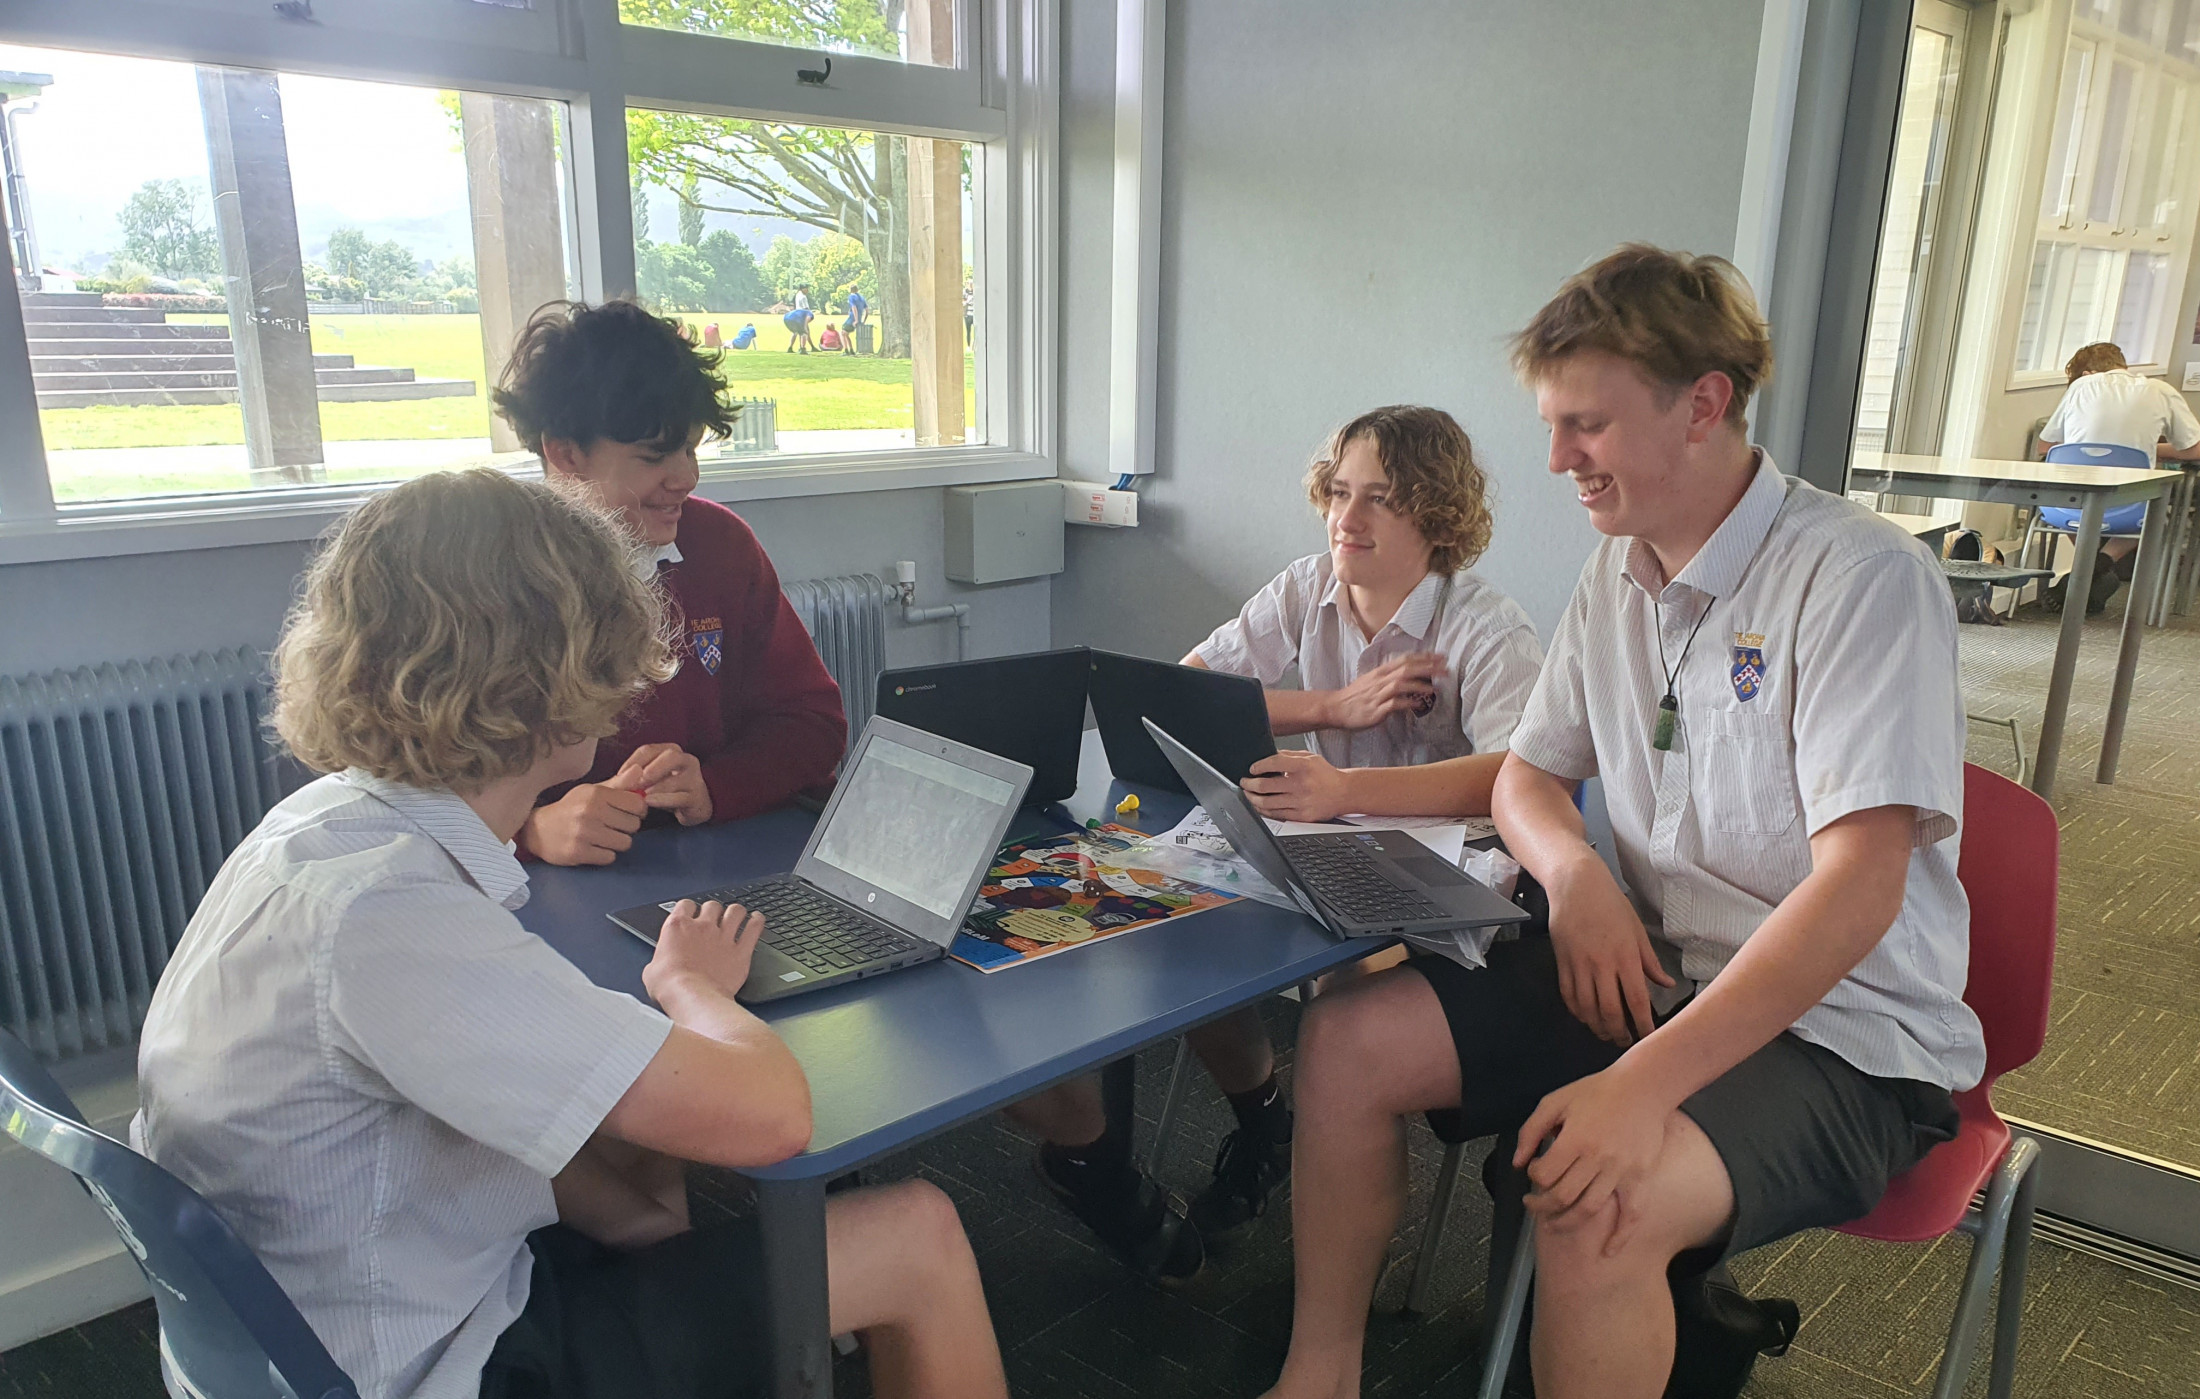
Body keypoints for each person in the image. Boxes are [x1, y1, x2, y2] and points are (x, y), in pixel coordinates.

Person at [1261, 245, 1981, 1399]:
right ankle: (1319, 1375)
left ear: (1701, 406)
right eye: (1552, 425)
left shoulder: (1859, 579)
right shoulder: (1618, 574)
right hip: (1648, 973)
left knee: (1595, 1203)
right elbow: (1526, 778)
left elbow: (1859, 890)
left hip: (1841, 1037)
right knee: (1346, 1042)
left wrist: (1639, 1083)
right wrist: (1575, 876)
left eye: (1584, 425)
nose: (1557, 460)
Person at [133, 469, 1010, 1399]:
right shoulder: (390, 921)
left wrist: (643, 1223)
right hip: (426, 1365)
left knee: (640, 1137)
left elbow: (472, 1111)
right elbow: (774, 1117)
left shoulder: (324, 831)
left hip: (321, 1314)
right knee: (918, 1233)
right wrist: (689, 985)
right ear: (553, 679)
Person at [1011, 406, 1543, 1285]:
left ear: (1436, 515)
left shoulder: (1488, 628)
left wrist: (1345, 790)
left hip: (1447, 880)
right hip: (1325, 844)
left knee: (1341, 1007)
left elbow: (1514, 777)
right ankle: (1268, 1123)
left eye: (1379, 499)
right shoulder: (1308, 588)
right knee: (1185, 934)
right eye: (1339, 492)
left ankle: (1339, 1229)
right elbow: (1187, 685)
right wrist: (1330, 709)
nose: (1346, 518)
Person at [494, 301, 846, 866]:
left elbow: (814, 724)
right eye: (654, 457)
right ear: (564, 453)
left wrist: (714, 786)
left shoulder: (720, 544)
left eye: (690, 448)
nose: (686, 477)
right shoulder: (488, 575)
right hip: (551, 885)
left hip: (715, 859)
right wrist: (527, 831)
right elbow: (415, 786)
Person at [2035, 340, 2200, 615]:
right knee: (2154, 513)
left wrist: (2082, 448)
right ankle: (2100, 565)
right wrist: (2149, 452)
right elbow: (2194, 449)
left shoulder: (2081, 386)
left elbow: (2044, 446)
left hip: (2067, 506)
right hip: (2131, 507)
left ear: (2086, 374)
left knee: (2067, 496)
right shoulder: (2160, 390)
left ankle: (2087, 569)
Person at [844, 288, 868, 355]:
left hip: (852, 318)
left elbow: (854, 308)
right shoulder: (862, 298)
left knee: (843, 333)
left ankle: (846, 351)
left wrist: (856, 320)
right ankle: (851, 350)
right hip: (859, 319)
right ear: (857, 290)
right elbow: (867, 310)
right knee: (845, 334)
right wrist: (864, 321)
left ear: (850, 290)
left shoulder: (851, 296)